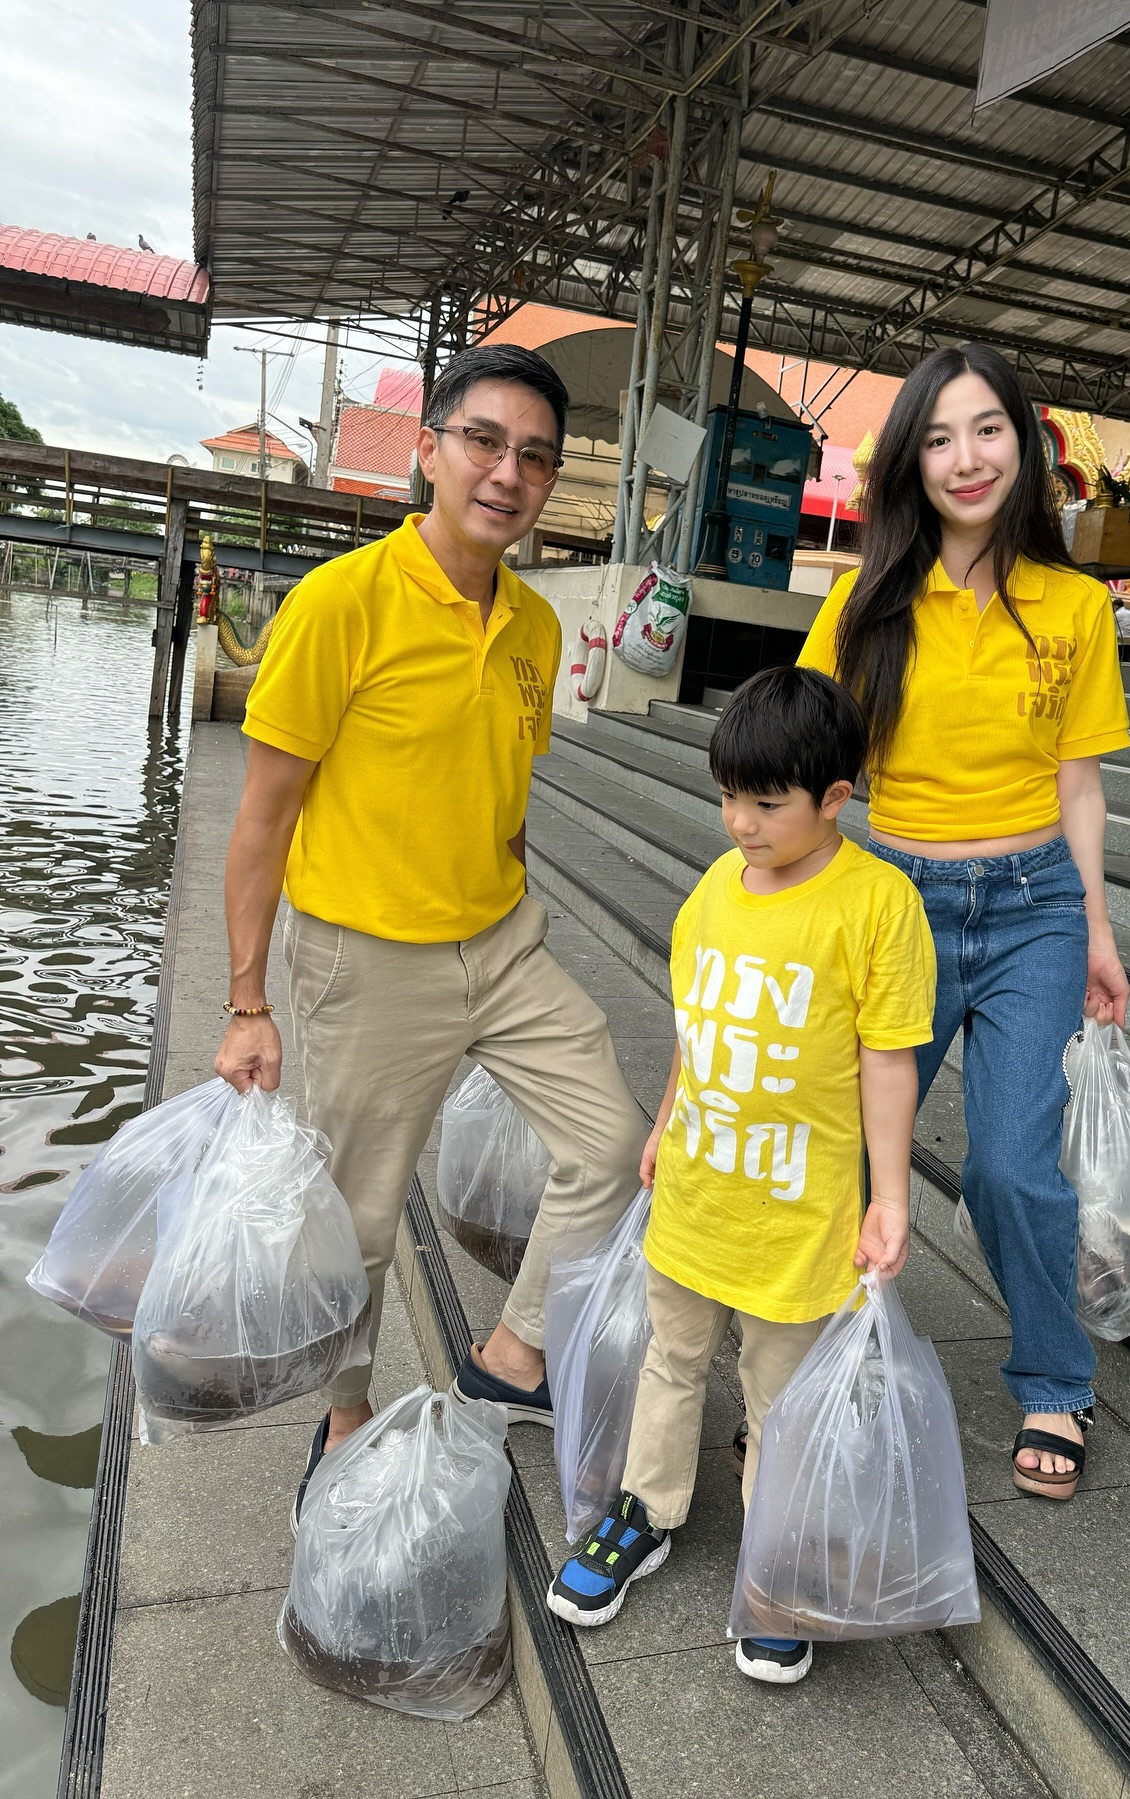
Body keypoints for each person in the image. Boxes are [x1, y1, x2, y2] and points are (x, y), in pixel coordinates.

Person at [214, 344, 649, 1523]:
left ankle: (510, 1357)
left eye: (537, 456)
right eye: (486, 442)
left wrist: (503, 896)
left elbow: (503, 794)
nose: (509, 472)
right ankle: (344, 1414)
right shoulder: (340, 603)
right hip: (369, 960)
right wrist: (249, 1000)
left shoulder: (535, 628)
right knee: (354, 1221)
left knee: (613, 1141)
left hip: (501, 944)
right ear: (430, 448)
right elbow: (260, 822)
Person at [544, 667, 936, 1685]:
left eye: (768, 805)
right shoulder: (718, 885)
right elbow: (695, 1022)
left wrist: (889, 1196)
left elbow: (889, 1059)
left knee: (780, 1394)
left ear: (834, 799)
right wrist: (668, 1117)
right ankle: (646, 1509)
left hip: (799, 1212)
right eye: (729, 798)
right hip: (698, 1190)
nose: (742, 824)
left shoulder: (878, 904)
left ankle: (779, 1559)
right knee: (672, 1359)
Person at [798, 343, 1130, 1503]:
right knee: (837, 1143)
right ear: (909, 462)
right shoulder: (863, 604)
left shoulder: (1076, 606)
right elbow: (810, 767)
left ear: (1025, 448)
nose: (965, 457)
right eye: (937, 437)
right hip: (899, 903)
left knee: (1010, 1168)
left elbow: (1079, 783)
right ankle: (813, 1361)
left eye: (987, 429)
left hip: (1036, 903)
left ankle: (1055, 1373)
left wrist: (1095, 925)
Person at [1113, 595, 1130, 661]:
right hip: (1129, 641)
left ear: (1116, 606)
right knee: (1125, 661)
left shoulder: (1118, 614)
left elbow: (1111, 625)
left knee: (1118, 661)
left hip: (1120, 641)